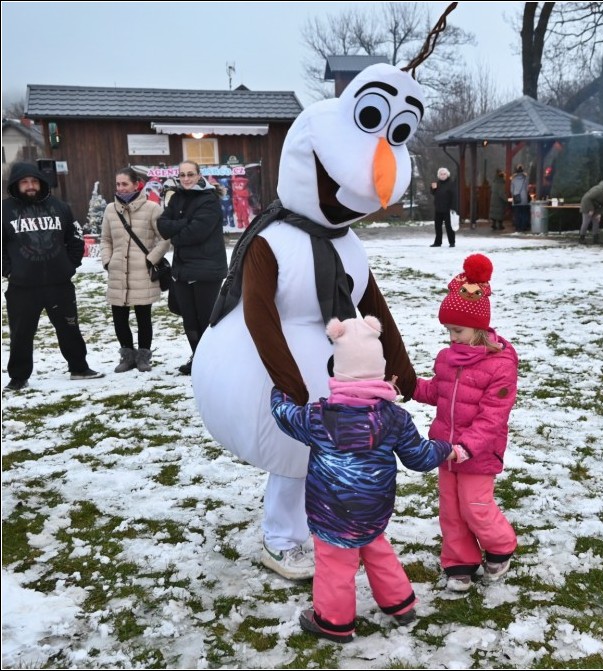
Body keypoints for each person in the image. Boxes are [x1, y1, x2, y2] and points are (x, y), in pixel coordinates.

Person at [192, 63, 425, 582]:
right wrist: (290, 385)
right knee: (291, 456)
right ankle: (281, 536)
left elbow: (372, 302)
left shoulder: (348, 242)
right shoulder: (272, 239)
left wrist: (400, 363)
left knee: (324, 459)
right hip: (278, 373)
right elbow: (259, 313)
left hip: (339, 371)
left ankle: (322, 523)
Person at [270, 315, 459, 642]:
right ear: (379, 370)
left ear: (338, 370)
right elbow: (419, 457)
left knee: (335, 565)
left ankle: (334, 621)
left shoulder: (318, 417)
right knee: (376, 548)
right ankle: (400, 603)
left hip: (331, 511)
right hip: (373, 507)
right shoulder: (395, 418)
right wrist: (446, 449)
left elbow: (286, 417)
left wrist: (280, 393)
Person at [412, 254, 519, 592]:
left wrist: (466, 448)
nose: (452, 337)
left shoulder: (500, 365)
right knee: (451, 510)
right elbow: (437, 391)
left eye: (457, 330)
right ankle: (460, 561)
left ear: (479, 328)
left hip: (478, 453)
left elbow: (492, 416)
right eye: (448, 331)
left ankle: (501, 546)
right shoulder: (448, 358)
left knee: (475, 506)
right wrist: (408, 386)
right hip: (446, 451)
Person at [2, 161, 104, 390]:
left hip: (59, 284)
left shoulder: (59, 207)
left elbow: (75, 238)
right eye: (25, 182)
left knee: (69, 327)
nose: (30, 186)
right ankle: (19, 377)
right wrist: (10, 270)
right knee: (21, 333)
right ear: (16, 185)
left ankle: (79, 368)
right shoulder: (4, 210)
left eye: (34, 181)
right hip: (22, 286)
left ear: (41, 183)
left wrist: (70, 265)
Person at [156, 161, 227, 374]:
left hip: (207, 269)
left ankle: (211, 360)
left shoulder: (209, 200)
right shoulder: (177, 197)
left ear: (199, 176)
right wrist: (183, 225)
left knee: (206, 319)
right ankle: (197, 356)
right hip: (183, 269)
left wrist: (176, 231)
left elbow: (196, 232)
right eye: (182, 175)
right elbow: (162, 225)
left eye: (190, 174)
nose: (186, 178)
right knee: (189, 320)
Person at [100, 167, 171, 373]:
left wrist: (150, 259)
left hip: (143, 273)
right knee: (119, 317)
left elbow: (164, 239)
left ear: (136, 184)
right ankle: (127, 356)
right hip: (117, 272)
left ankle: (143, 356)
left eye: (125, 184)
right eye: (118, 184)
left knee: (143, 317)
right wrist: (108, 261)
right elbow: (105, 239)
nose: (120, 188)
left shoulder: (152, 208)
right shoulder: (110, 210)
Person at [429, 167, 456, 247]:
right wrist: (433, 189)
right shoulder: (437, 184)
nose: (443, 175)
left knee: (449, 226)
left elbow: (454, 196)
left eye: (444, 174)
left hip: (448, 208)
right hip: (438, 208)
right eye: (441, 174)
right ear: (438, 175)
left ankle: (452, 242)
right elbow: (433, 193)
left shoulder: (451, 184)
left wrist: (453, 207)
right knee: (437, 226)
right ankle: (438, 242)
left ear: (447, 175)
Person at [578, 177, 603, 244]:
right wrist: (591, 209)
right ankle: (581, 238)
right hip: (587, 206)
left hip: (596, 208)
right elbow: (587, 198)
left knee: (596, 222)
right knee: (586, 222)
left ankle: (596, 239)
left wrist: (599, 213)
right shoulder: (597, 190)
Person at [510, 165, 530, 232]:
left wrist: (514, 194)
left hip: (516, 198)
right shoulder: (525, 179)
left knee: (517, 213)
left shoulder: (513, 179)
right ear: (522, 171)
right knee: (524, 213)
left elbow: (511, 190)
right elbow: (527, 189)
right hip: (524, 198)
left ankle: (518, 227)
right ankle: (523, 226)